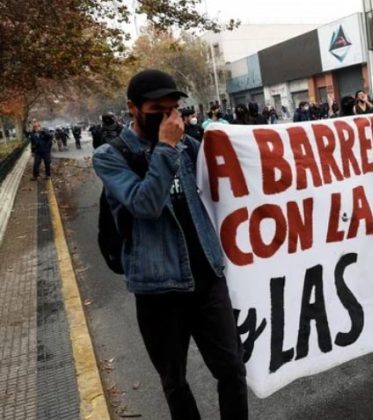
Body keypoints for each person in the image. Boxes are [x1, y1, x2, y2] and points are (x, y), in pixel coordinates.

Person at [92, 69, 248, 419]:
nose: (168, 116)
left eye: (173, 108)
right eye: (157, 108)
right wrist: (164, 147)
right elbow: (144, 204)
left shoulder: (190, 145)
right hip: (158, 289)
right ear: (132, 108)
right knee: (174, 381)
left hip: (207, 280)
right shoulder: (110, 156)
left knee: (233, 371)